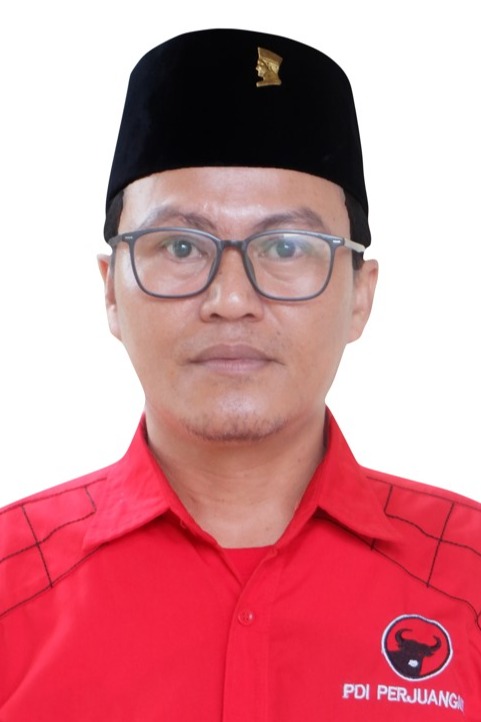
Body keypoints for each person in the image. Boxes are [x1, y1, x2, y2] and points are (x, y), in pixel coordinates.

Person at [0, 28, 479, 721]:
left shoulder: (467, 581)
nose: (230, 299)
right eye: (180, 247)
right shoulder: (11, 589)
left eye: (285, 247)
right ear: (110, 291)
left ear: (360, 296)